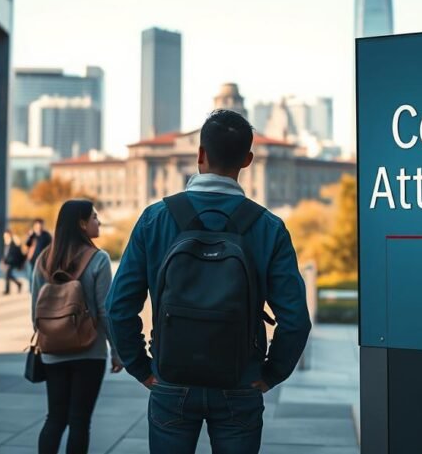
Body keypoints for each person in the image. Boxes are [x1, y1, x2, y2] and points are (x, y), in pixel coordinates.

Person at [106, 110, 312, 454]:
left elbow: (117, 308)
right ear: (247, 160)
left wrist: (142, 368)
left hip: (171, 378)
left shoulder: (154, 219)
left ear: (200, 155)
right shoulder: (269, 227)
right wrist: (270, 374)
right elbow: (295, 320)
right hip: (241, 381)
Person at [32, 200, 123, 454]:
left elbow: (35, 311)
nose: (99, 221)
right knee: (80, 422)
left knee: (55, 418)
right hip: (88, 351)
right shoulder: (99, 259)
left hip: (53, 352)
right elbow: (106, 312)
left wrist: (50, 338)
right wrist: (116, 351)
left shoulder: (43, 259)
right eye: (94, 217)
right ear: (82, 224)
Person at [25, 218, 52, 292]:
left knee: (40, 276)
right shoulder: (32, 235)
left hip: (42, 260)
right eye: (37, 225)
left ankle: (40, 290)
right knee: (30, 276)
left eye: (40, 225)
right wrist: (30, 236)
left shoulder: (46, 235)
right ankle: (31, 290)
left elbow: (51, 246)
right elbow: (27, 244)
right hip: (31, 259)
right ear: (34, 226)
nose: (39, 227)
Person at [2, 230, 24, 294]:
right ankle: (18, 284)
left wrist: (9, 262)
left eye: (6, 235)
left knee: (7, 275)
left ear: (9, 235)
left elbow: (15, 254)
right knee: (8, 275)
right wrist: (3, 261)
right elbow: (5, 254)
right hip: (6, 262)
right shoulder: (6, 243)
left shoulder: (14, 244)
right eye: (4, 236)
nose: (4, 237)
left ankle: (7, 290)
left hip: (11, 262)